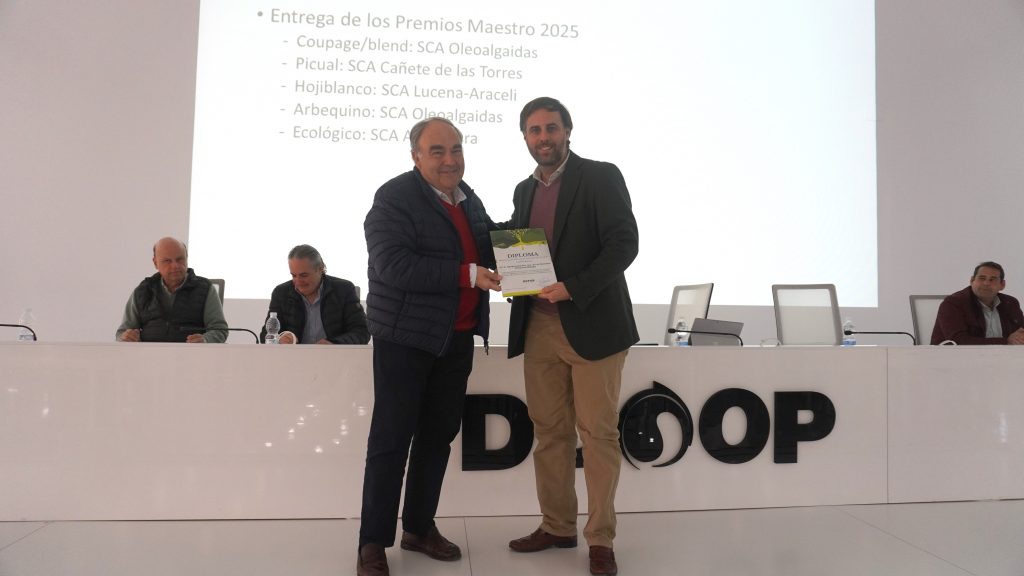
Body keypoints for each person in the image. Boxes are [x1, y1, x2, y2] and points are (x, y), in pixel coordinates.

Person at [356, 117, 502, 576]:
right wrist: (467, 275)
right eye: (437, 150)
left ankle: (418, 528)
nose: (450, 159)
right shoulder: (394, 198)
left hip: (455, 339)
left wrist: (529, 252)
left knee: (438, 439)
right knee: (391, 440)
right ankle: (372, 542)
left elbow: (489, 247)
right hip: (405, 339)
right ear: (416, 156)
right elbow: (395, 266)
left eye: (456, 148)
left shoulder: (469, 199)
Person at [505, 97, 639, 576]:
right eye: (535, 130)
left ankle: (600, 538)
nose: (544, 137)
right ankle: (557, 525)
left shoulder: (600, 176)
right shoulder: (524, 189)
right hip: (538, 325)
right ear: (525, 137)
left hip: (594, 325)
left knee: (598, 435)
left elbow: (625, 242)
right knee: (549, 433)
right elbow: (521, 243)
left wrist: (574, 287)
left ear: (568, 130)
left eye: (552, 128)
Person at [116, 237, 228, 343]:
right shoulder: (142, 291)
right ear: (155, 263)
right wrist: (126, 337)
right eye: (167, 261)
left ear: (187, 258)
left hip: (192, 357)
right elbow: (121, 333)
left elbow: (220, 330)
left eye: (180, 259)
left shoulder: (205, 288)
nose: (175, 265)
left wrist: (205, 340)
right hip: (148, 358)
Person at [259, 244, 369, 345]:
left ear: (321, 269)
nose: (298, 282)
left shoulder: (344, 290)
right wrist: (280, 339)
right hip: (293, 361)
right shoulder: (281, 293)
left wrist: (333, 344)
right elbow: (265, 335)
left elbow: (362, 332)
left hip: (336, 360)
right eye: (294, 275)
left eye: (304, 275)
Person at [931, 261, 1024, 345]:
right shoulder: (953, 303)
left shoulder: (1010, 303)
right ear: (972, 281)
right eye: (982, 278)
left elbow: (1020, 332)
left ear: (1002, 285)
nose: (986, 283)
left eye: (992, 279)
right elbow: (958, 341)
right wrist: (1006, 341)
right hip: (955, 359)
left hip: (1005, 357)